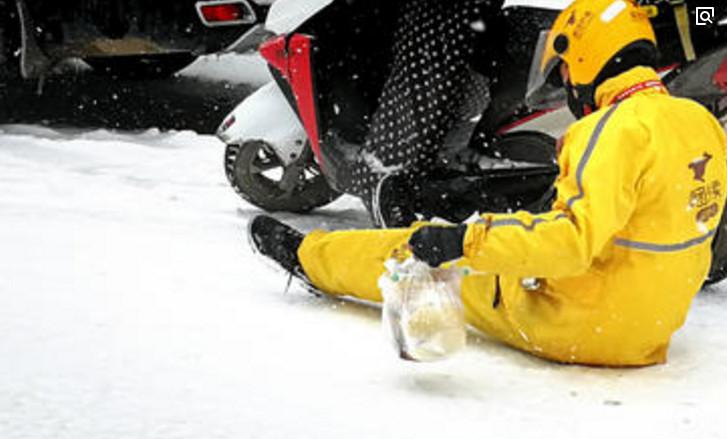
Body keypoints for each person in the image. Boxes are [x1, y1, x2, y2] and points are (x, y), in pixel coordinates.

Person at [248, 0, 727, 367]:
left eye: (566, 70)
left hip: (584, 325)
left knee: (414, 248)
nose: (568, 84)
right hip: (656, 327)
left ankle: (310, 257)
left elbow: (570, 244)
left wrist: (462, 241)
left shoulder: (606, 130)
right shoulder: (696, 121)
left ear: (583, 56)